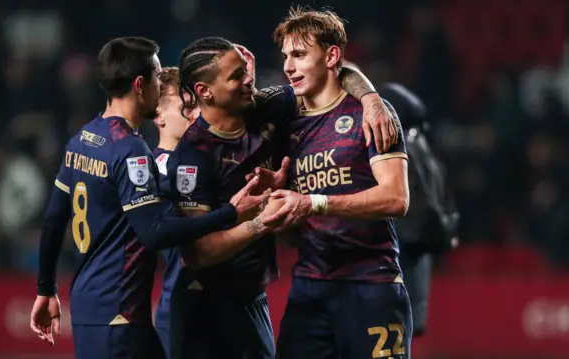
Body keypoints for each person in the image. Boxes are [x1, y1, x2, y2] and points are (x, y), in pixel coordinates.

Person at [28, 37, 269, 359]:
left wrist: (46, 289)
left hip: (90, 310)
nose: (162, 83)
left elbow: (54, 218)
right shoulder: (130, 151)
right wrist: (231, 213)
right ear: (141, 84)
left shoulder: (82, 140)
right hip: (119, 314)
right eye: (158, 77)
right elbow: (154, 231)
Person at [165, 36, 398, 359]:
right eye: (236, 76)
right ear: (205, 91)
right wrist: (260, 221)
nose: (249, 79)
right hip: (205, 309)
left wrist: (371, 101)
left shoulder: (265, 108)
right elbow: (199, 254)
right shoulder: (192, 157)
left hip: (253, 298)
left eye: (245, 70)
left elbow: (337, 72)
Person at [262, 8, 413, 359]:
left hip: (370, 286)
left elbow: (396, 197)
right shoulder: (285, 124)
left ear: (331, 56)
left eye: (299, 55)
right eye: (285, 56)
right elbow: (292, 228)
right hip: (309, 288)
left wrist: (315, 202)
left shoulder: (371, 114)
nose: (288, 67)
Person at [378, 82, 459, 337]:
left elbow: (409, 209)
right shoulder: (426, 150)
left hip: (397, 256)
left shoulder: (401, 150)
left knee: (386, 336)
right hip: (417, 256)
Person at [151, 66, 201, 354]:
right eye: (185, 107)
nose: (194, 114)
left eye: (197, 105)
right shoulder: (152, 172)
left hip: (228, 305)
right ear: (159, 117)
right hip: (181, 305)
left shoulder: (207, 160)